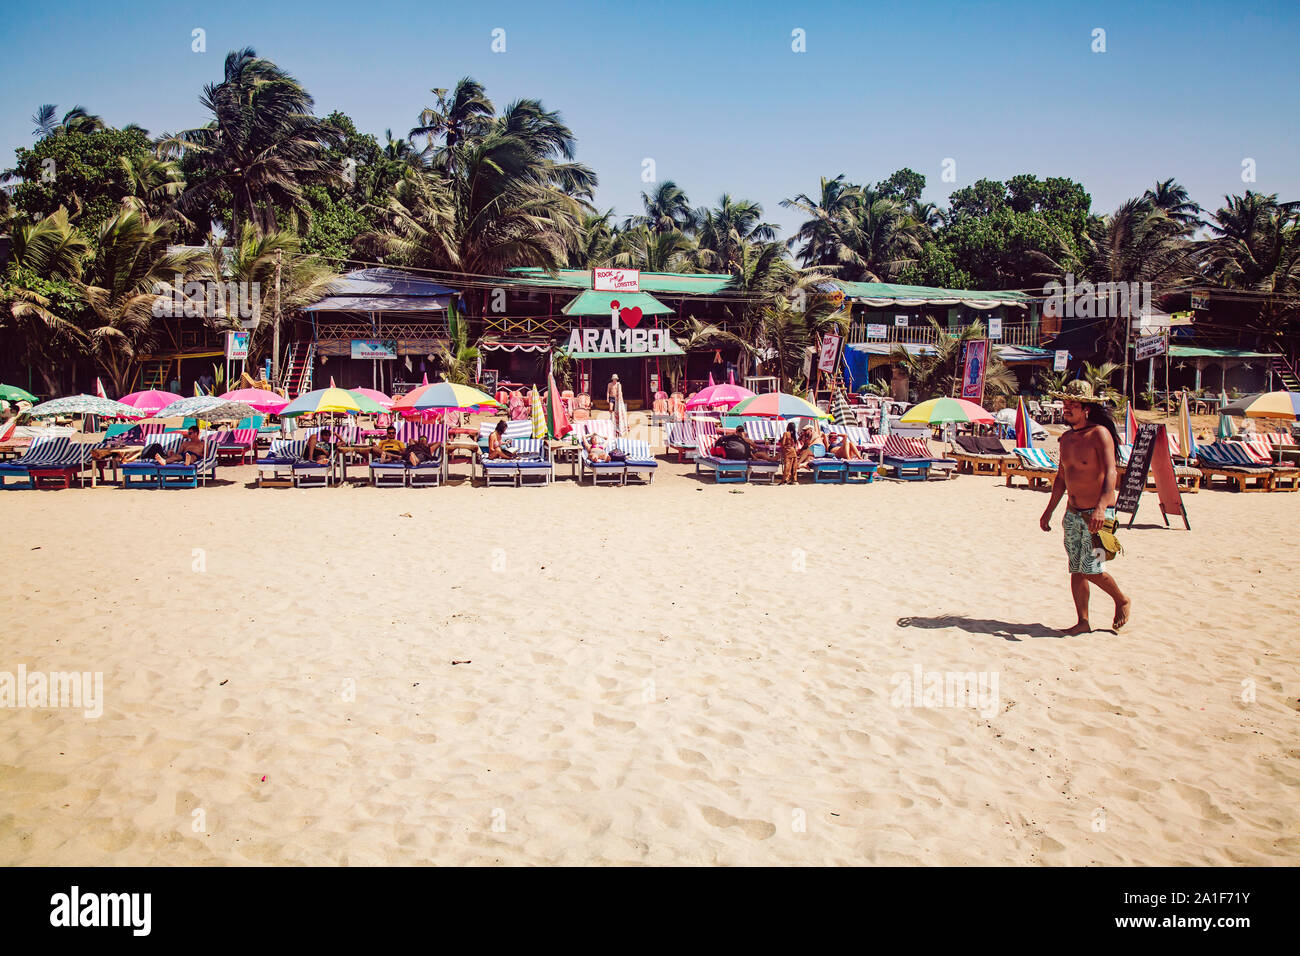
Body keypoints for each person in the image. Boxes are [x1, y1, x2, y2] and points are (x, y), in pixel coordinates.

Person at [1039, 381, 1131, 634]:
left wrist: (1101, 508)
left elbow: (1111, 471)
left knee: (1094, 569)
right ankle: (1083, 622)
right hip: (1073, 514)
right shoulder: (1066, 439)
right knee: (1076, 569)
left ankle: (1121, 599)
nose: (1066, 409)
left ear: (1086, 409)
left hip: (1099, 515)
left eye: (1073, 405)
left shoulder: (1099, 433)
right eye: (1065, 404)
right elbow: (1061, 478)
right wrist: (1049, 511)